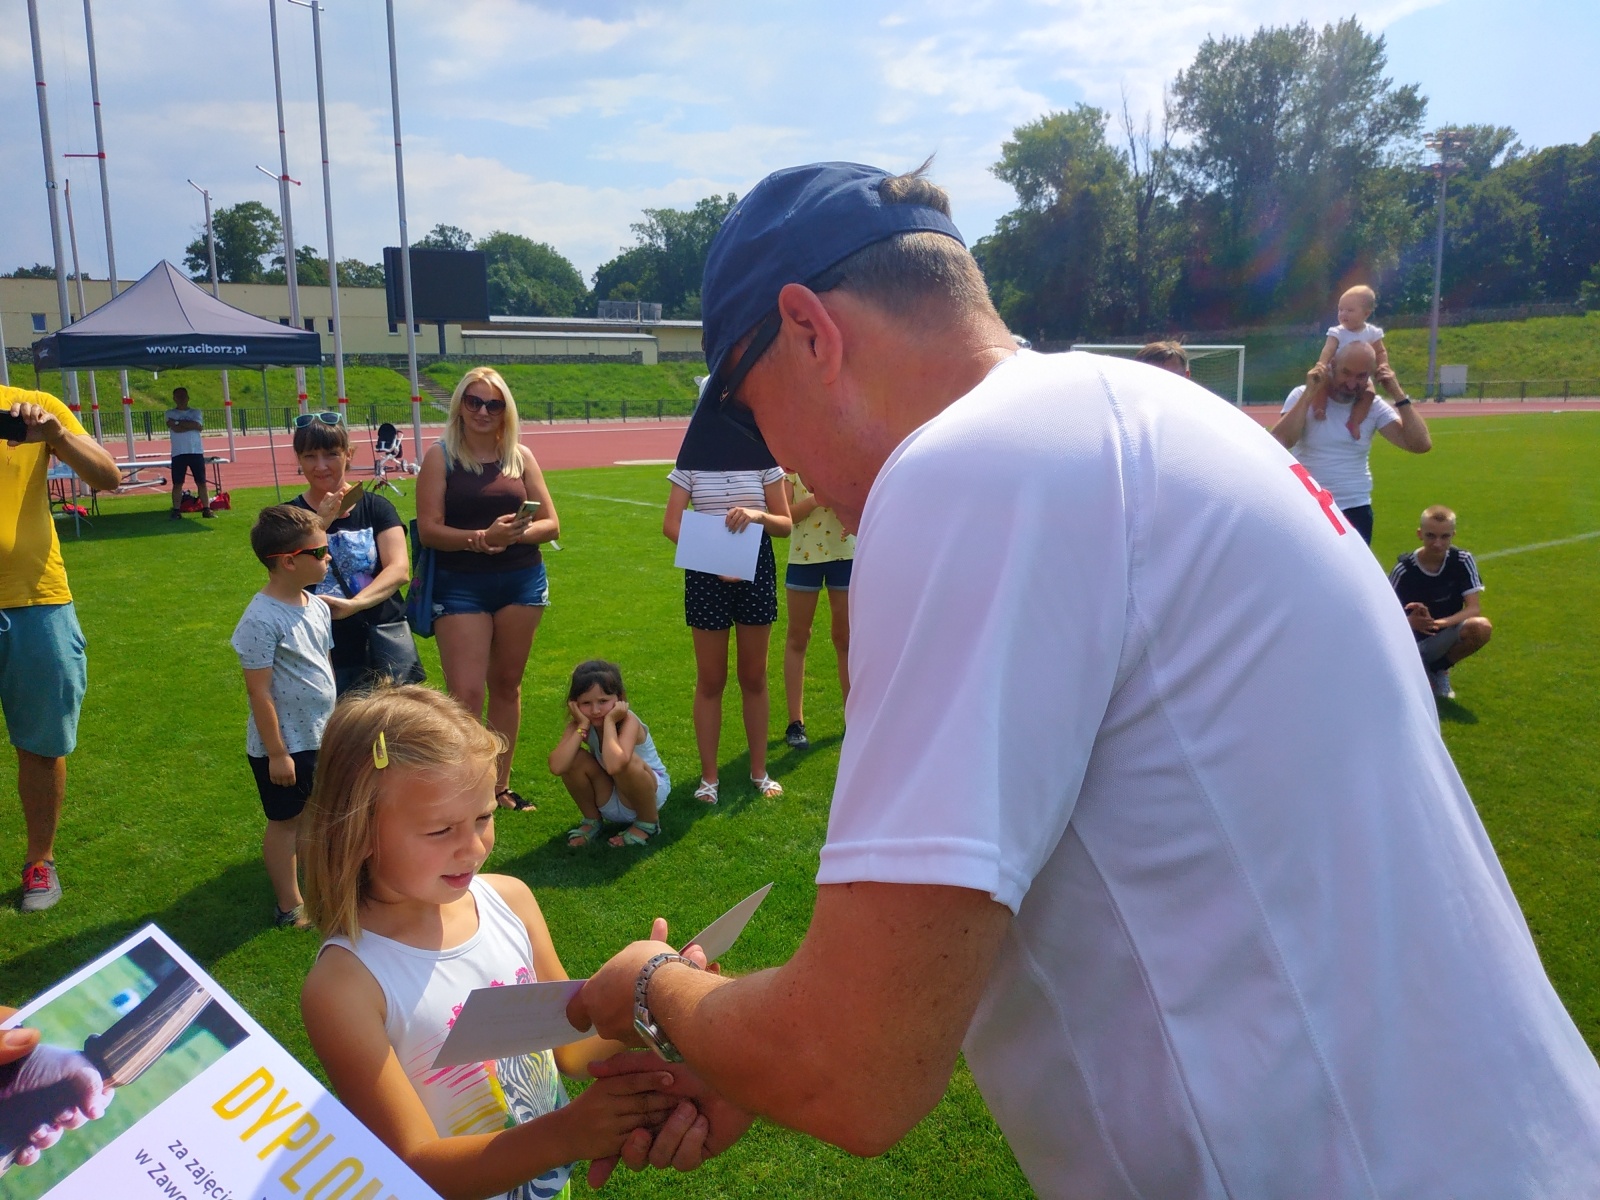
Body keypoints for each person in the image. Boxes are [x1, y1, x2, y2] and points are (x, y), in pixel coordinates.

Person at [568, 161, 1600, 1195]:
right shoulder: (1148, 415)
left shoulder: (968, 469)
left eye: (754, 417)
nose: (781, 467)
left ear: (809, 332)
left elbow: (853, 1070)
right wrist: (741, 1047)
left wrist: (651, 989)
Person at [298, 685, 690, 1200]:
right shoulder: (344, 987)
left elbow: (573, 1050)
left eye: (484, 817)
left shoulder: (511, 900)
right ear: (360, 830)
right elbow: (415, 1167)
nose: (473, 847)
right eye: (441, 830)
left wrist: (658, 1001)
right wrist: (567, 1134)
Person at [417, 368, 560, 813]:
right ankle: (466, 787)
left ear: (506, 411)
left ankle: (499, 786)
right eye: (474, 401)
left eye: (493, 404)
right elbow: (428, 531)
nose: (483, 411)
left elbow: (552, 524)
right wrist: (481, 538)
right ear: (460, 404)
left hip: (521, 581)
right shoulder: (440, 456)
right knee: (465, 694)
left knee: (506, 685)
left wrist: (512, 536)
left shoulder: (520, 456)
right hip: (460, 585)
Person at [1, 386, 120, 912]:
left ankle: (40, 860)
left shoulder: (31, 404)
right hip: (34, 603)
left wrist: (56, 437)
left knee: (42, 745)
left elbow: (108, 477)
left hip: (36, 601)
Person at [231, 505, 336, 928]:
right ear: (289, 561)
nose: (328, 556)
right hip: (286, 745)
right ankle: (289, 904)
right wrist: (277, 753)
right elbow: (258, 691)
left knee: (316, 813)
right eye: (321, 550)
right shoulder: (259, 619)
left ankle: (319, 880)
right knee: (286, 823)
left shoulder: (317, 605)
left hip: (320, 734)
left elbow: (324, 664)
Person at [663, 463, 791, 802]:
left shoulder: (762, 459)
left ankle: (759, 771)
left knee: (754, 676)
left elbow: (785, 524)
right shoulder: (692, 460)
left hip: (756, 569)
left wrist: (757, 515)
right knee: (710, 679)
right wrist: (716, 557)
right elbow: (671, 525)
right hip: (705, 574)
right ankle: (709, 778)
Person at [288, 412, 415, 695]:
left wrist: (355, 604)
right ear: (299, 459)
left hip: (379, 641)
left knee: (391, 721)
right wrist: (319, 524)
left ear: (349, 454)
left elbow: (399, 570)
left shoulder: (377, 508)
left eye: (331, 454)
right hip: (319, 646)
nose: (321, 466)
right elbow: (286, 575)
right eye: (310, 456)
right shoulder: (289, 517)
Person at [1270, 341, 1432, 544]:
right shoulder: (1302, 395)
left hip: (1355, 509)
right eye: (1346, 373)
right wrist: (1309, 394)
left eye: (1361, 376)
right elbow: (1280, 441)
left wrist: (1397, 393)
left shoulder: (1374, 407)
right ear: (1332, 365)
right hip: (1308, 505)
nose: (1352, 384)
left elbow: (1420, 444)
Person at [550, 660, 671, 848]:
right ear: (574, 704)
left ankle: (648, 824)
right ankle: (592, 820)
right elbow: (558, 766)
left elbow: (616, 764)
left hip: (648, 794)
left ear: (619, 699)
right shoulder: (581, 724)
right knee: (573, 758)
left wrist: (609, 723)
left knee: (626, 760)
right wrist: (582, 726)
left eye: (603, 701)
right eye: (586, 703)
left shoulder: (629, 721)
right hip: (613, 791)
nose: (595, 710)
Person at [1389, 505, 1493, 700]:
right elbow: (1382, 614)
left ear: (1453, 535)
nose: (1437, 543)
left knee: (1481, 627)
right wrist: (1409, 622)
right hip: (1407, 641)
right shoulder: (1404, 569)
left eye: (1445, 537)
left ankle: (1438, 669)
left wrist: (1438, 624)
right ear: (1419, 534)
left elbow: (1473, 609)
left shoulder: (1462, 560)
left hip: (1440, 637)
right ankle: (1414, 669)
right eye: (1431, 536)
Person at [781, 472, 853, 750]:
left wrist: (853, 517)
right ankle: (795, 722)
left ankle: (853, 717)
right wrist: (816, 500)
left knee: (845, 638)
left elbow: (862, 500)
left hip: (845, 555)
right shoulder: (790, 469)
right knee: (798, 637)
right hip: (803, 558)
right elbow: (786, 516)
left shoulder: (843, 462)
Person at [1313, 285, 1389, 438]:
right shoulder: (1337, 332)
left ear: (1366, 313)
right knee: (1321, 383)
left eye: (1349, 310)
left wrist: (1383, 365)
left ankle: (1354, 421)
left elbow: (1380, 351)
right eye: (1340, 310)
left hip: (1360, 376)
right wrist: (1322, 363)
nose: (1343, 314)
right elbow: (1329, 349)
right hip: (1335, 372)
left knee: (1369, 393)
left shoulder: (1372, 333)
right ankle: (1319, 407)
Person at [164, 386, 212, 519]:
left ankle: (206, 509)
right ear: (174, 398)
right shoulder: (169, 413)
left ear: (188, 398)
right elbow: (176, 428)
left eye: (183, 396)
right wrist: (187, 425)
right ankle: (176, 510)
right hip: (178, 453)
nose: (181, 399)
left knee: (201, 482)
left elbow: (197, 426)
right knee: (178, 483)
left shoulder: (196, 412)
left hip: (195, 451)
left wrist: (178, 422)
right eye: (178, 396)